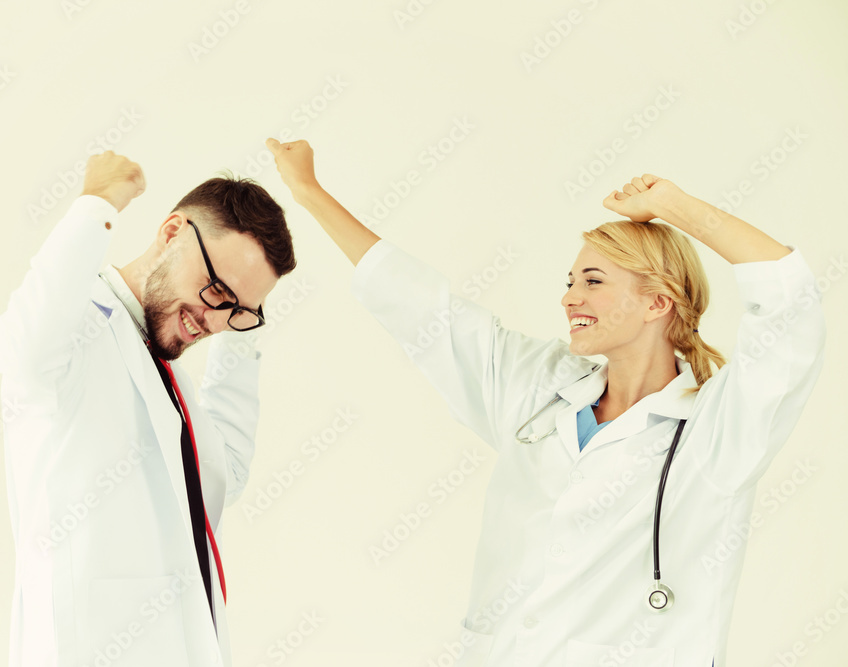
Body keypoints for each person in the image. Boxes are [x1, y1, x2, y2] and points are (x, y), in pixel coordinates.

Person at [266, 138, 825, 666]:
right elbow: (425, 311)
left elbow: (789, 302)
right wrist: (309, 192)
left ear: (657, 302)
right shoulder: (540, 387)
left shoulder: (719, 427)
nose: (569, 297)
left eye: (593, 281)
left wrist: (674, 207)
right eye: (569, 280)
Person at [0, 150, 295, 667]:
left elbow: (223, 475)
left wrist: (237, 332)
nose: (214, 321)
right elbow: (22, 349)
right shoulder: (78, 329)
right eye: (216, 290)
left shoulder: (165, 371)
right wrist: (97, 204)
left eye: (238, 311)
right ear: (172, 233)